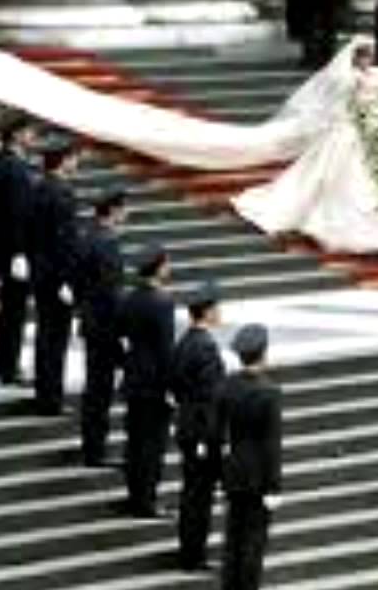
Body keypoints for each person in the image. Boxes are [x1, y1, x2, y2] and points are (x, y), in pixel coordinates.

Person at [233, 37, 378, 253]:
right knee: (345, 179)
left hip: (376, 131)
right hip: (351, 131)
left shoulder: (377, 74)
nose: (368, 59)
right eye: (363, 54)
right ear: (354, 57)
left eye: (370, 54)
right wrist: (355, 121)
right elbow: (340, 106)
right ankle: (341, 227)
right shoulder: (347, 78)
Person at [216, 323, 283, 590]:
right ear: (263, 354)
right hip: (258, 476)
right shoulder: (269, 392)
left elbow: (217, 431)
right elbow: (272, 443)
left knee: (233, 538)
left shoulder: (227, 385)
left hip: (234, 469)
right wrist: (275, 485)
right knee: (254, 543)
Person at [172, 281, 227, 572]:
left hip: (187, 426)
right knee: (199, 497)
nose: (220, 312)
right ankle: (194, 555)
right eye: (217, 307)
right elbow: (211, 399)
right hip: (202, 433)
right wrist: (215, 438)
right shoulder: (205, 348)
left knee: (191, 493)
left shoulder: (184, 342)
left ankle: (189, 550)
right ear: (206, 312)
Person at [117, 242, 176, 518]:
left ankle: (134, 495)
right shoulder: (162, 302)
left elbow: (118, 334)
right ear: (159, 266)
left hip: (134, 377)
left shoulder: (129, 298)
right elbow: (166, 349)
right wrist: (171, 386)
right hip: (154, 384)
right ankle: (147, 500)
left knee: (135, 440)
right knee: (152, 445)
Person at [30, 139, 84, 416]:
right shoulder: (62, 192)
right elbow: (64, 241)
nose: (77, 163)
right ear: (63, 161)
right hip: (56, 275)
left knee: (45, 334)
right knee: (56, 338)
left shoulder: (38, 187)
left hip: (40, 272)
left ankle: (44, 392)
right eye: (73, 158)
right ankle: (51, 397)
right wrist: (67, 278)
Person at [78, 189, 127, 468]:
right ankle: (95, 449)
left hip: (90, 320)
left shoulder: (87, 236)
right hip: (105, 325)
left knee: (94, 387)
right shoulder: (107, 242)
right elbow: (111, 291)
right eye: (122, 208)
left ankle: (91, 445)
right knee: (100, 390)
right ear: (113, 211)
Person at [0, 115, 36, 386]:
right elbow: (16, 213)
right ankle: (8, 366)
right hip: (12, 249)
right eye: (29, 132)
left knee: (10, 310)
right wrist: (19, 251)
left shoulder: (1, 162)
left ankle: (5, 364)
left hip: (2, 248)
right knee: (13, 311)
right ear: (16, 135)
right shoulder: (14, 168)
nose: (33, 137)